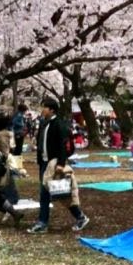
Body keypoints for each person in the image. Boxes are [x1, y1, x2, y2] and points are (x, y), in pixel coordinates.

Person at [27, 97, 89, 234]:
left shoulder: (58, 124)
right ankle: (79, 217)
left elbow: (63, 144)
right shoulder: (44, 124)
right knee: (53, 193)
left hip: (53, 163)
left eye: (44, 107)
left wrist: (61, 163)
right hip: (44, 162)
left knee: (55, 192)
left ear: (51, 109)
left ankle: (43, 222)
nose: (42, 110)